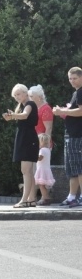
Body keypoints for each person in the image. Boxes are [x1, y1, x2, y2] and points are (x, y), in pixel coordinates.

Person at [3, 83, 39, 208]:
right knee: (28, 171)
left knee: (26, 170)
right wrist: (11, 117)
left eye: (18, 94)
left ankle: (24, 200)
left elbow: (25, 116)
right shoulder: (22, 105)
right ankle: (31, 199)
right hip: (24, 138)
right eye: (15, 95)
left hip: (28, 139)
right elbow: (19, 116)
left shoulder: (30, 104)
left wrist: (13, 115)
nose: (17, 97)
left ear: (25, 93)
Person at [53, 66, 82, 207]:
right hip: (71, 134)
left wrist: (63, 111)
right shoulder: (76, 93)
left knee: (79, 167)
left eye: (75, 78)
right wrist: (63, 111)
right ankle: (72, 197)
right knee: (72, 169)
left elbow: (81, 112)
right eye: (70, 79)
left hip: (77, 136)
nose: (72, 81)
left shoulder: (81, 92)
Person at [34, 133, 55, 206]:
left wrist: (33, 156)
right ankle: (46, 197)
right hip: (46, 169)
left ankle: (46, 198)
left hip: (42, 170)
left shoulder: (42, 150)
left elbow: (40, 158)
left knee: (41, 185)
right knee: (42, 185)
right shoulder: (48, 150)